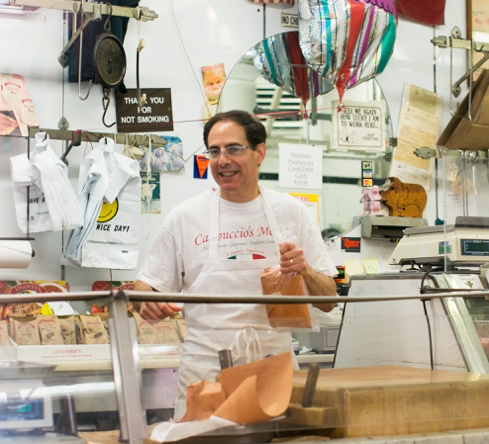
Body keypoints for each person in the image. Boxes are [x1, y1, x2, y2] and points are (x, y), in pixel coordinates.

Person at [135, 111, 337, 418]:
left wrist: (304, 270)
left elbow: (329, 300)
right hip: (205, 371)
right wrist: (146, 302)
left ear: (259, 153)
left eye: (233, 149)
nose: (222, 160)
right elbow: (145, 287)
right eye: (214, 152)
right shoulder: (186, 216)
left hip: (274, 368)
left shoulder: (292, 212)